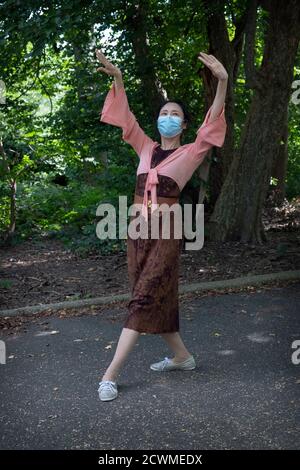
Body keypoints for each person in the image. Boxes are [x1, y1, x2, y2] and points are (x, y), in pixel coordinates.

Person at [95, 48, 228, 401]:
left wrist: (223, 82)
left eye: (175, 115)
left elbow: (212, 123)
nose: (168, 117)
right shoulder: (145, 147)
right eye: (164, 113)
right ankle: (182, 356)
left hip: (166, 231)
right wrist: (118, 77)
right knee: (155, 295)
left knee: (141, 300)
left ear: (184, 125)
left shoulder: (191, 152)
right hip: (136, 232)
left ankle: (109, 375)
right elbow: (127, 120)